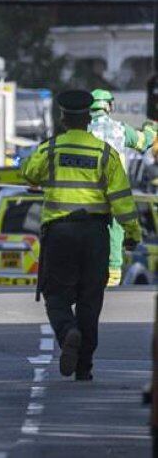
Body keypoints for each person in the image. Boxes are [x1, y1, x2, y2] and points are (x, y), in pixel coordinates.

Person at [22, 90, 142, 381]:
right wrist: (132, 233)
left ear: (63, 119)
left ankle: (68, 332)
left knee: (56, 296)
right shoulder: (104, 153)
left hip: (60, 234)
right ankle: (84, 366)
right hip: (95, 235)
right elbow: (122, 199)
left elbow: (28, 172)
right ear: (88, 119)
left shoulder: (50, 149)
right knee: (90, 300)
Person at [87, 89, 155, 286]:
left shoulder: (83, 131)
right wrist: (150, 128)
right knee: (116, 229)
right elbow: (144, 142)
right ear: (109, 106)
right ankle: (113, 273)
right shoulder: (120, 129)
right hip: (116, 191)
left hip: (89, 191)